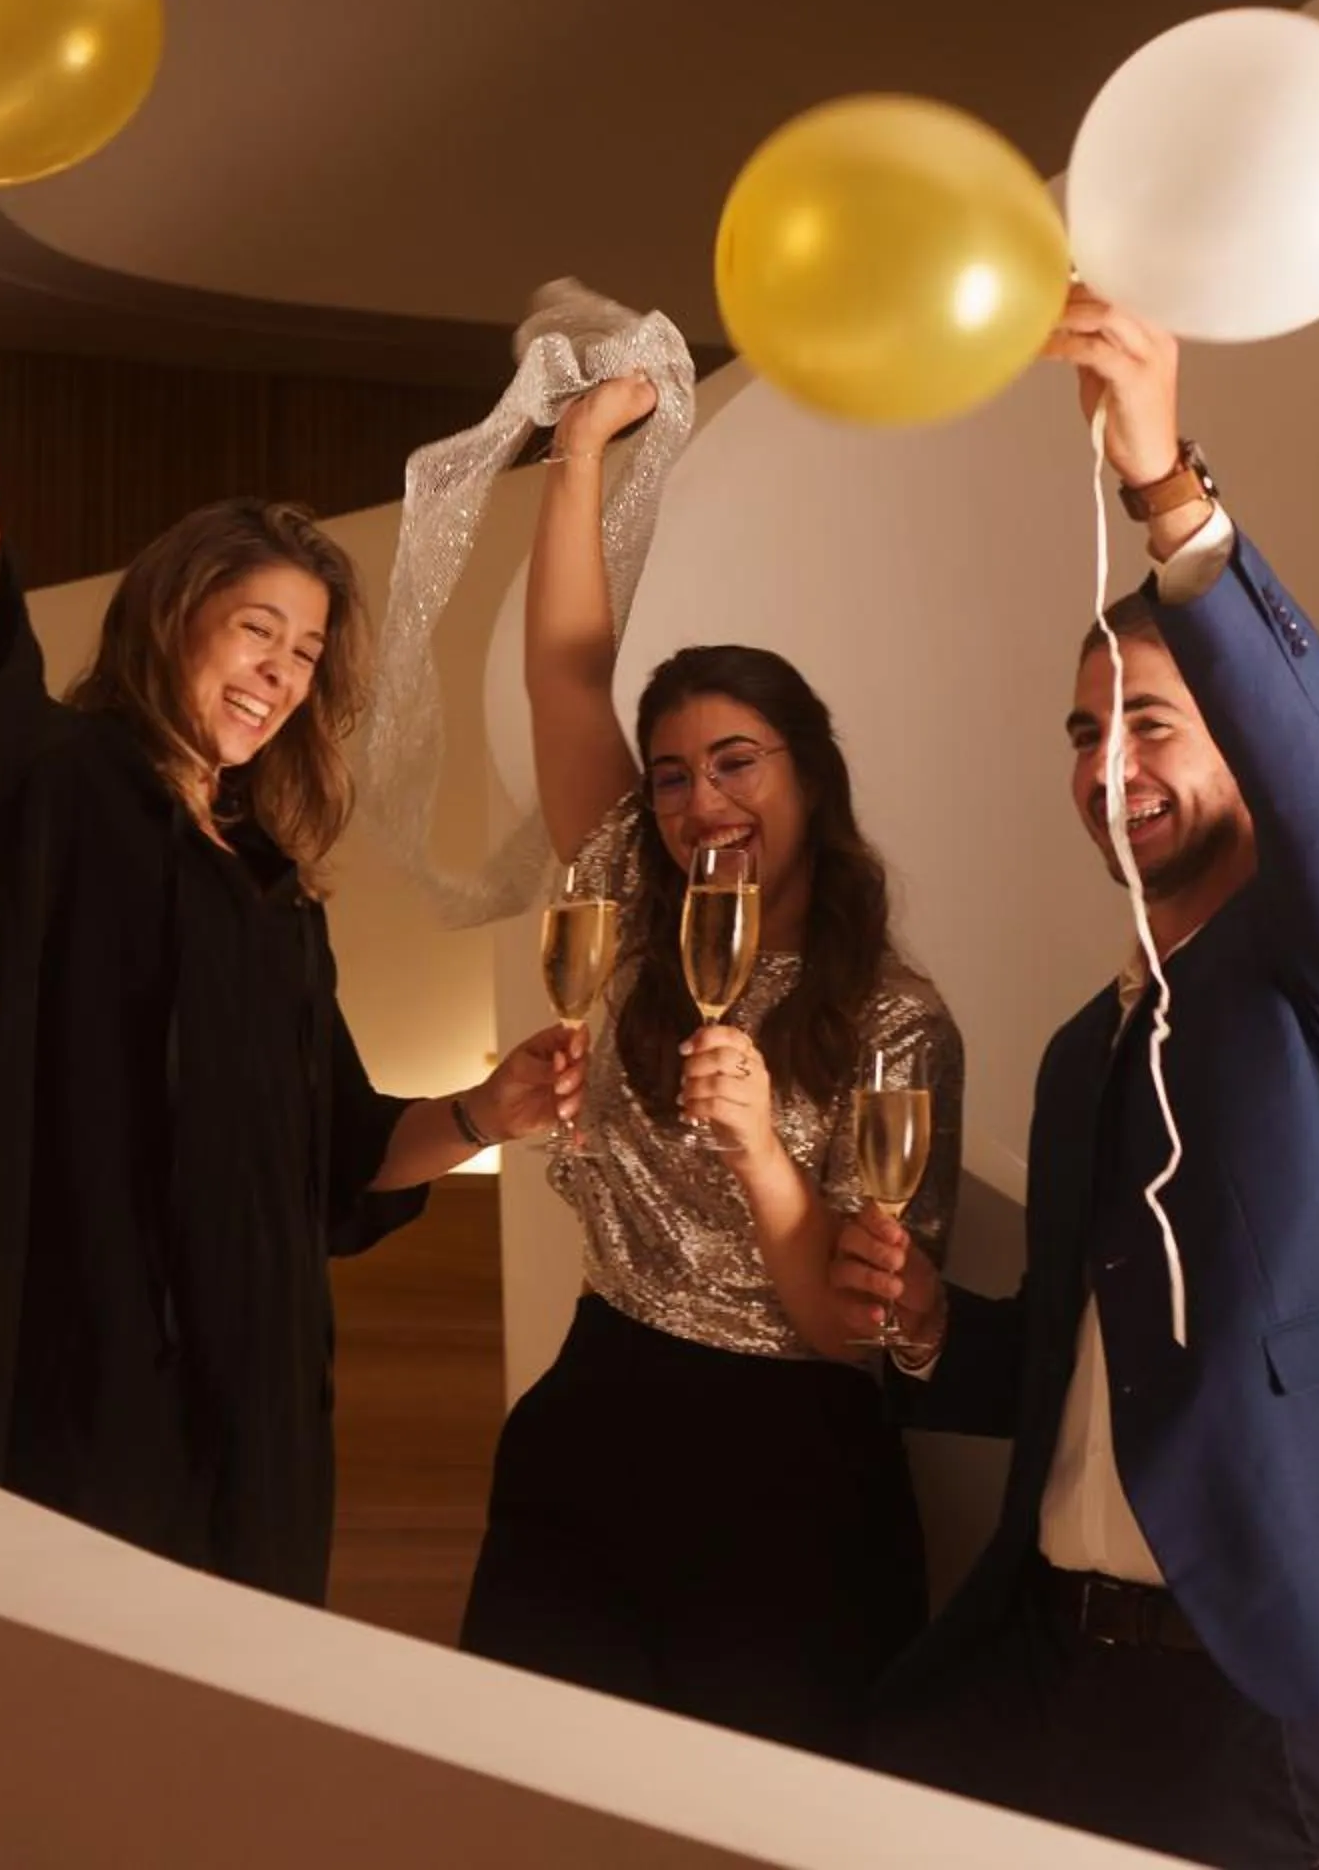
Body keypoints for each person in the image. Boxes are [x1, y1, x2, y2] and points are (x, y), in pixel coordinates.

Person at [0, 125, 580, 1603]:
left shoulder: (273, 887)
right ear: (176, 617)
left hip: (259, 1407)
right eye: (257, 631)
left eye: (307, 653)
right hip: (82, 1384)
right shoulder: (61, 786)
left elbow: (344, 1162)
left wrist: (493, 1108)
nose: (282, 674)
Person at [834, 287, 1319, 1866]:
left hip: (1269, 1709)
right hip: (1049, 1678)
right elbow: (1092, 1364)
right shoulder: (1084, 1048)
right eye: (1083, 735)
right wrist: (934, 1326)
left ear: (1246, 750)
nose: (1107, 766)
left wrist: (1165, 490)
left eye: (1149, 723)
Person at [459, 369, 963, 1759]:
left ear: (810, 778)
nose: (700, 802)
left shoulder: (894, 1018)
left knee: (757, 1820)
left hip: (788, 1472)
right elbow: (567, 674)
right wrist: (576, 457)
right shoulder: (632, 904)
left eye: (737, 763)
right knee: (531, 1800)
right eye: (673, 774)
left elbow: (847, 1332)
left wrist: (756, 1153)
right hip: (594, 1418)